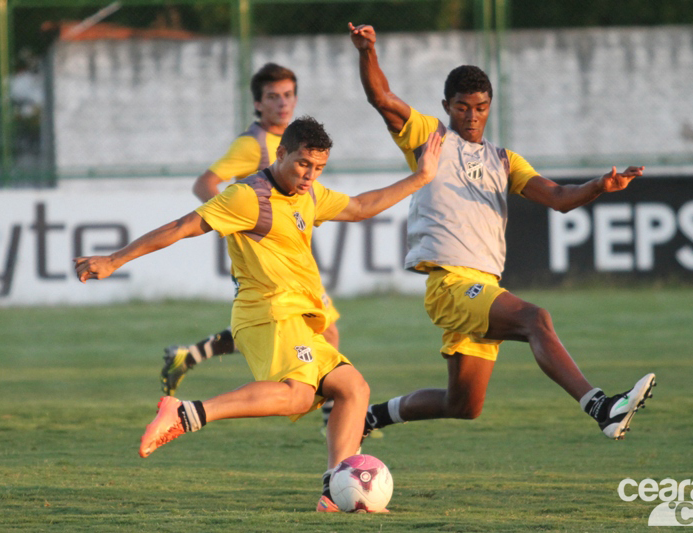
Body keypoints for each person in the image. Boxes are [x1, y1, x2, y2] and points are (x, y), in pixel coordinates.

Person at [75, 116, 442, 512]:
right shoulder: (248, 197)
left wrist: (421, 177)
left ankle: (334, 492)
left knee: (353, 389)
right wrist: (114, 259)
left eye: (318, 167)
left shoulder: (309, 194)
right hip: (268, 312)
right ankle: (186, 412)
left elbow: (359, 207)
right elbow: (183, 226)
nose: (309, 175)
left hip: (298, 316)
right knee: (299, 395)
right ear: (281, 153)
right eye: (303, 164)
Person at [348, 22, 655, 442]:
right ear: (446, 105)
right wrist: (367, 51)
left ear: (490, 106)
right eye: (462, 107)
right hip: (451, 285)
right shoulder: (429, 137)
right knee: (535, 318)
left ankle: (369, 418)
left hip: (483, 287)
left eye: (480, 107)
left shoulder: (505, 160)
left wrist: (599, 185)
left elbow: (559, 197)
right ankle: (602, 408)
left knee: (464, 404)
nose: (472, 116)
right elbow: (381, 98)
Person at [161, 63, 348, 434]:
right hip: (264, 259)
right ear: (258, 104)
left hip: (291, 261)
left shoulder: (299, 143)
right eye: (273, 97)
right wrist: (234, 224)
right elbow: (205, 183)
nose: (282, 103)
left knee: (314, 332)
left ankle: (191, 354)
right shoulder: (253, 144)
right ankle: (336, 420)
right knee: (304, 330)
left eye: (288, 95)